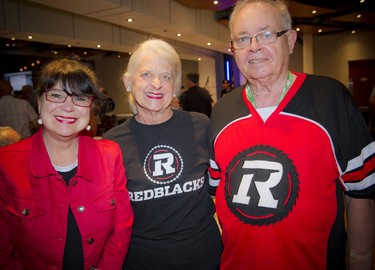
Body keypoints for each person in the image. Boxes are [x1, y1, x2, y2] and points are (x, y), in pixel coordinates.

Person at [208, 1, 375, 270]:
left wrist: (360, 260)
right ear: (233, 48)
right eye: (242, 38)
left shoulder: (330, 99)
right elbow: (216, 191)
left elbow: (361, 193)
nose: (253, 46)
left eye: (265, 34)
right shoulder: (222, 110)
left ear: (290, 40)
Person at [0, 57, 134, 270]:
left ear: (90, 107)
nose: (68, 107)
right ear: (39, 101)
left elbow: (121, 229)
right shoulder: (7, 162)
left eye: (80, 98)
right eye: (56, 95)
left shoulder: (110, 154)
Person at [104, 39, 222, 270]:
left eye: (166, 76)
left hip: (204, 257)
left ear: (176, 86)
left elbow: (217, 183)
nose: (156, 84)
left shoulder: (201, 125)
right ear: (128, 82)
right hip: (142, 261)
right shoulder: (112, 143)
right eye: (146, 74)